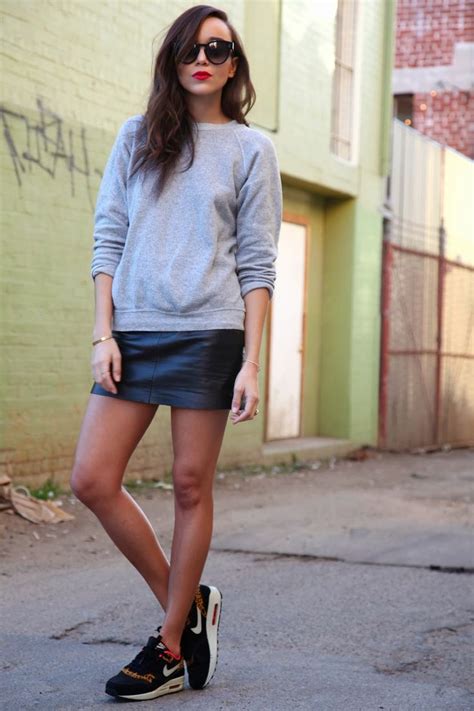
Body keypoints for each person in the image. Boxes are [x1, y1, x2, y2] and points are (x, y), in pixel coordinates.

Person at [70, 3, 282, 703]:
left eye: (218, 47)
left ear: (233, 64)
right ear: (172, 57)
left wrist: (253, 360)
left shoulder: (253, 151)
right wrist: (104, 333)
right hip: (132, 332)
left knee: (192, 486)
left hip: (209, 335)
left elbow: (257, 264)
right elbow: (108, 236)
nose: (203, 56)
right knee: (92, 479)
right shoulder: (138, 138)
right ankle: (187, 604)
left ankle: (166, 646)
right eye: (190, 46)